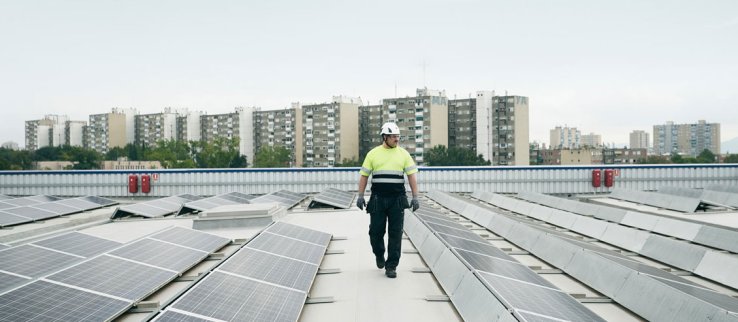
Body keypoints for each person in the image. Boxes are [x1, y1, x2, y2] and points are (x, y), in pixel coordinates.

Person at [356, 122, 420, 278]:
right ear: (384, 137)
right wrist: (360, 195)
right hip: (378, 199)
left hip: (397, 199)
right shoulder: (373, 154)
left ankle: (391, 266)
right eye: (393, 137)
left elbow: (411, 176)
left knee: (395, 234)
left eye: (398, 136)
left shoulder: (404, 154)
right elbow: (364, 176)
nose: (396, 139)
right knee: (375, 232)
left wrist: (416, 197)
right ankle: (379, 254)